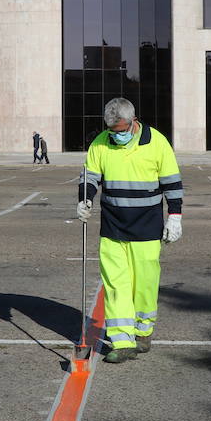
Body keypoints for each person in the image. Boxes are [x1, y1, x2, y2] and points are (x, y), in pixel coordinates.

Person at [76, 97, 183, 364]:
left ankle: (142, 332)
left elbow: (172, 182)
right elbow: (90, 176)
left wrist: (175, 216)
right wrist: (85, 199)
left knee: (145, 284)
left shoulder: (157, 142)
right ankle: (122, 342)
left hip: (147, 227)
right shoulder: (100, 143)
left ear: (133, 121)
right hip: (113, 226)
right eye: (112, 130)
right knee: (115, 285)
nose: (116, 135)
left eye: (121, 130)